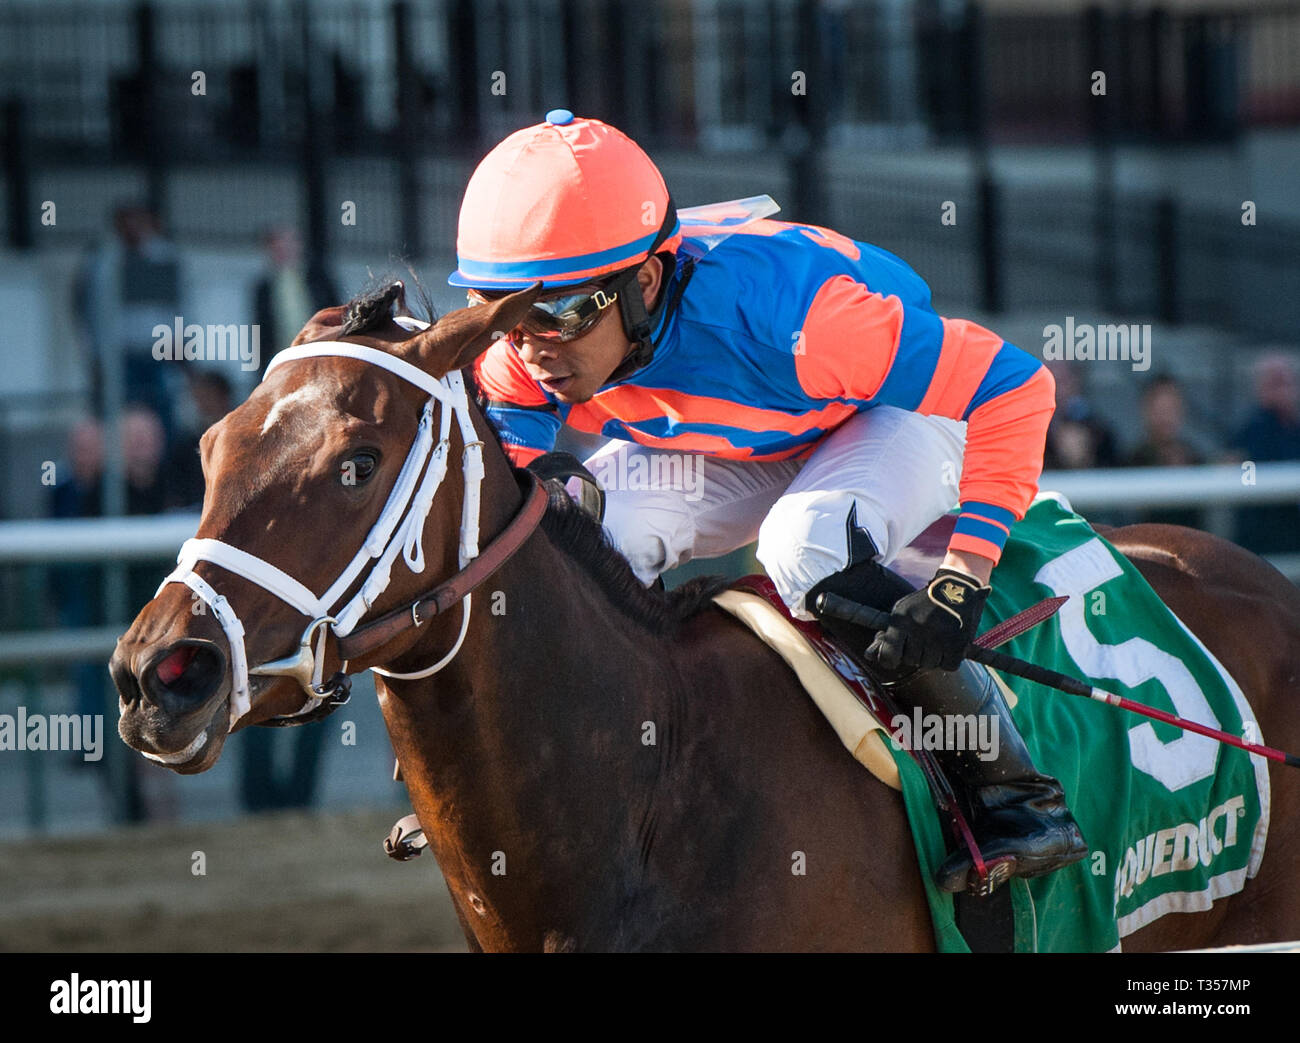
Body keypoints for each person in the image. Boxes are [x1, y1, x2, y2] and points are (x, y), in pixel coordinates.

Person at [452, 111, 1086, 895]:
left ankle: (1016, 792)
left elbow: (1017, 387)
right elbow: (513, 422)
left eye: (561, 313)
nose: (529, 347)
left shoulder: (803, 322)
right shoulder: (530, 346)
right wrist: (542, 473)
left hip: (891, 413)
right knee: (592, 529)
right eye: (505, 316)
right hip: (755, 436)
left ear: (643, 282)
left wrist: (961, 579)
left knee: (804, 542)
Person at [1230, 353, 1300, 555]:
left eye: (1288, 382)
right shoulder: (1250, 432)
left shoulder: (1294, 431)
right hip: (1263, 545)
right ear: (1259, 388)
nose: (1284, 390)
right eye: (1275, 383)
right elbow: (1247, 478)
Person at [1120, 374, 1206, 529]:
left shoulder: (1196, 459)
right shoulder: (1129, 461)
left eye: (1172, 409)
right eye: (1160, 409)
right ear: (1146, 410)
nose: (1166, 417)